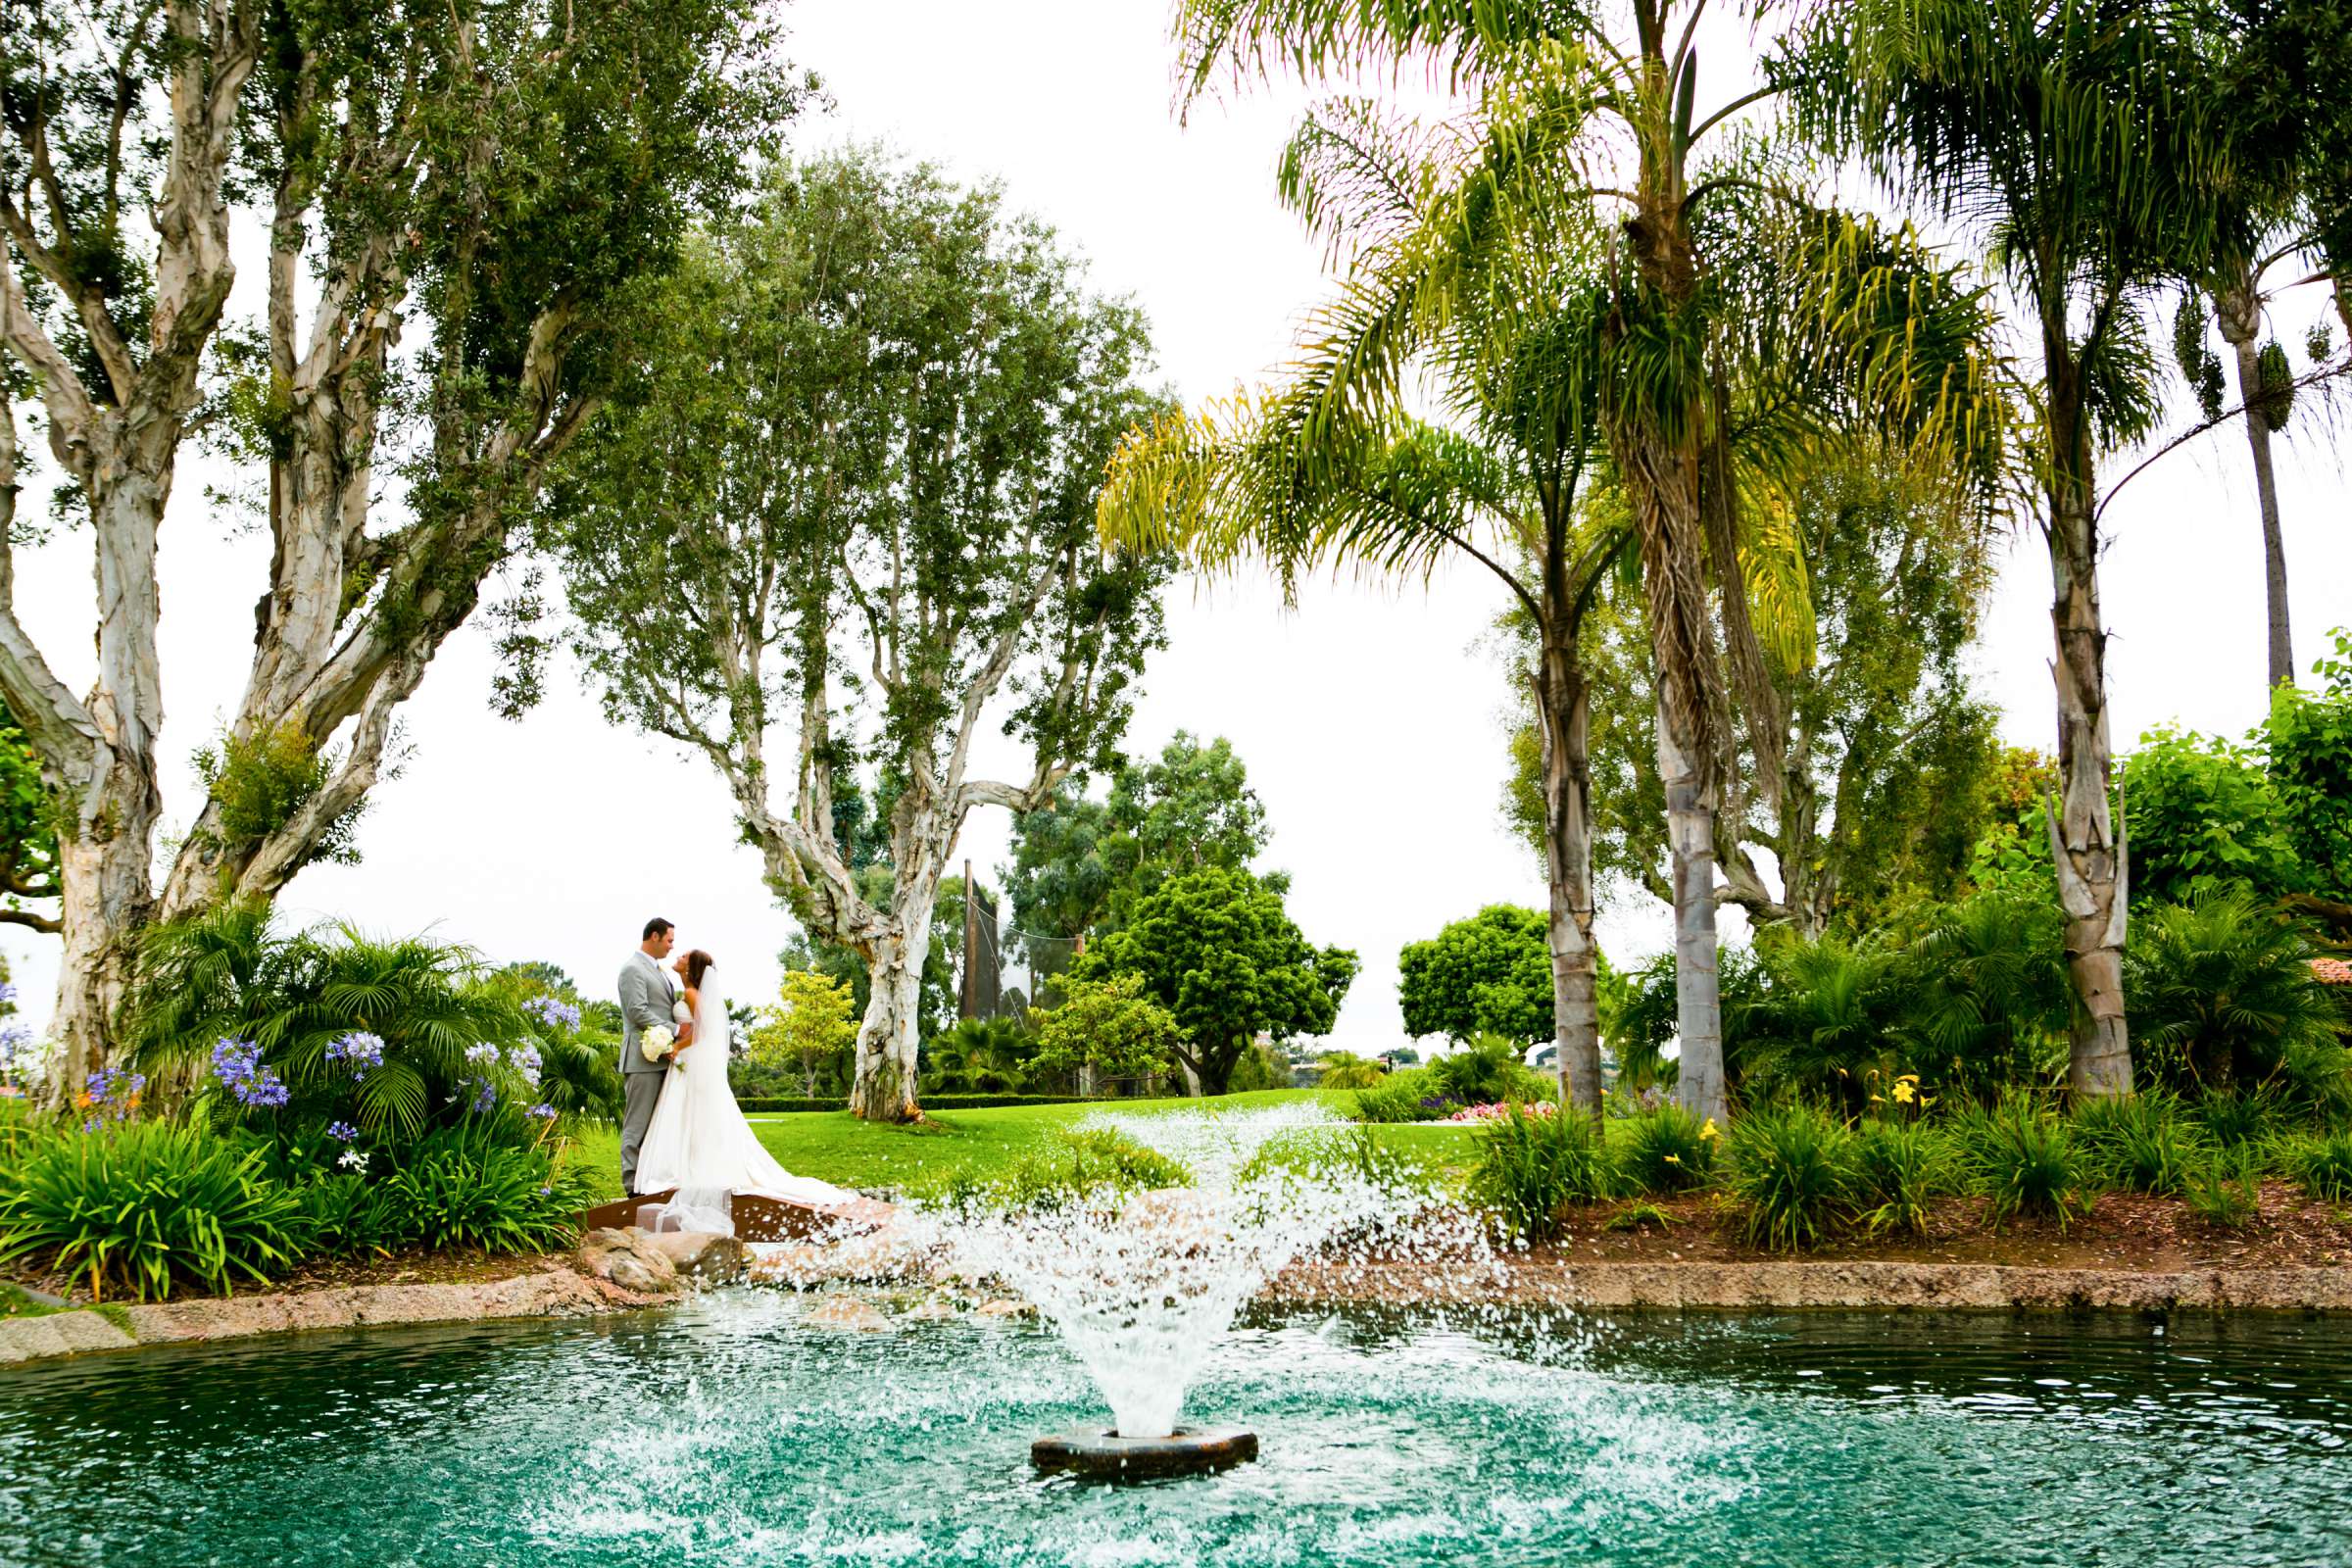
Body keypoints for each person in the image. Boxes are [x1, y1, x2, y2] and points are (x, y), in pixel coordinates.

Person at [630, 947, 885, 1230]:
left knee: (689, 1116)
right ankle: (688, 1165)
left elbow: (701, 1031)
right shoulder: (688, 991)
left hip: (687, 1062)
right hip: (689, 1063)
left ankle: (683, 1169)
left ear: (691, 969)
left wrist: (674, 1047)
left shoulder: (691, 994)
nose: (677, 957)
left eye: (683, 957)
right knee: (694, 1117)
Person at [615, 916, 681, 1197]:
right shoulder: (633, 969)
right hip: (642, 1059)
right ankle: (632, 1187)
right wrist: (677, 1029)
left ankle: (649, 1182)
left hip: (660, 1057)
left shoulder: (659, 971)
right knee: (637, 1123)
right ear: (653, 937)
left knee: (656, 1125)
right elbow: (638, 1011)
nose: (672, 946)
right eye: (669, 940)